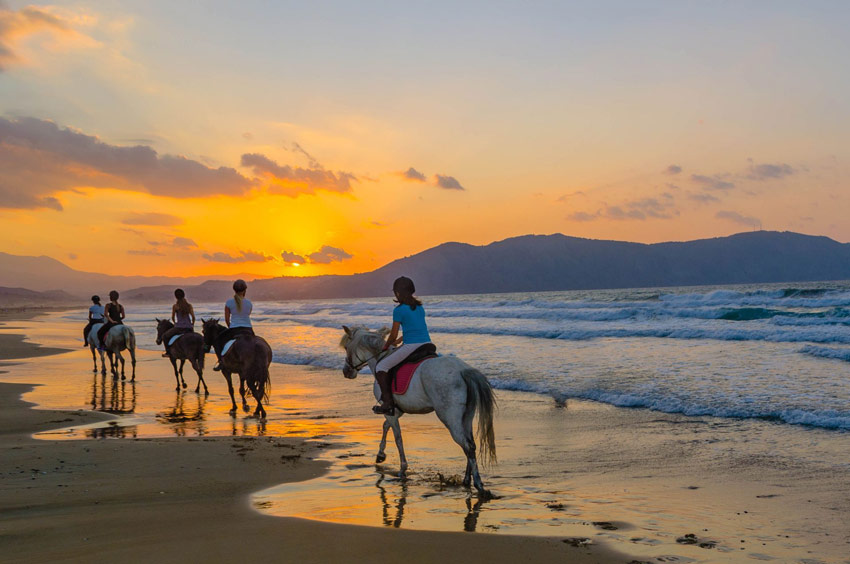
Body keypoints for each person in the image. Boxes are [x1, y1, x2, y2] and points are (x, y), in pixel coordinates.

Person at [372, 276, 432, 414]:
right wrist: (398, 341)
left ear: (398, 293)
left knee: (381, 367)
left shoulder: (398, 310)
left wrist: (386, 346)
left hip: (411, 346)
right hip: (427, 343)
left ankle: (387, 403)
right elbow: (414, 328)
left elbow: (392, 335)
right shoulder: (419, 307)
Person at [213, 279, 254, 371]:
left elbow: (227, 319)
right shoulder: (249, 303)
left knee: (218, 341)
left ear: (234, 290)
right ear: (245, 290)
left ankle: (221, 362)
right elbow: (248, 314)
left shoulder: (229, 302)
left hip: (234, 329)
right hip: (248, 329)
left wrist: (230, 327)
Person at [161, 288, 195, 357]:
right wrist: (192, 325)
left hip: (179, 327)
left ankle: (168, 352)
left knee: (165, 336)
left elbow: (173, 317)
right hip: (189, 327)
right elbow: (193, 318)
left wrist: (175, 323)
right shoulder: (189, 306)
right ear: (184, 295)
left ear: (176, 297)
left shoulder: (175, 306)